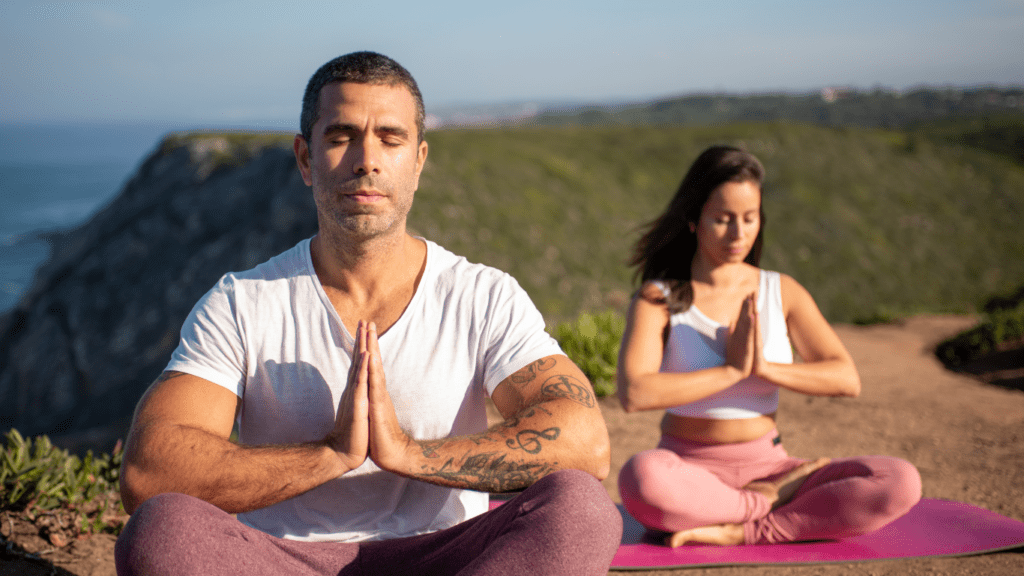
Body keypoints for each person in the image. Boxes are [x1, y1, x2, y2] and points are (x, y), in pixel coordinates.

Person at [115, 51, 621, 576]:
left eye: (391, 138)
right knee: (163, 528)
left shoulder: (482, 295)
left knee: (579, 509)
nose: (366, 160)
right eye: (340, 137)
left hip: (446, 557)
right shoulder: (242, 302)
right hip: (285, 561)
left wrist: (408, 454)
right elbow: (150, 471)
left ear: (419, 161)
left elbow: (586, 442)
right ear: (305, 159)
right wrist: (329, 455)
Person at [616, 145, 921, 547]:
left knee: (899, 481)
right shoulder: (661, 297)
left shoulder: (782, 291)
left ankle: (744, 526)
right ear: (693, 218)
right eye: (723, 219)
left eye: (749, 218)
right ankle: (763, 506)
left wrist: (764, 368)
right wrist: (730, 371)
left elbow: (846, 378)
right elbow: (635, 393)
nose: (738, 234)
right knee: (641, 479)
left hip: (773, 465)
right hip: (688, 469)